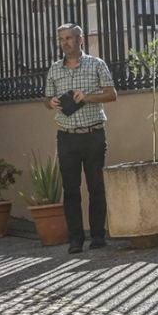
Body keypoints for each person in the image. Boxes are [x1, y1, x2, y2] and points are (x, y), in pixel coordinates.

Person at [44, 23, 117, 254]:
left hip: (93, 134)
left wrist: (87, 97)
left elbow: (112, 94)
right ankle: (75, 239)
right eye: (62, 39)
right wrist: (51, 103)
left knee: (95, 186)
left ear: (80, 40)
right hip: (66, 137)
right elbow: (46, 99)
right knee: (71, 189)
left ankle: (97, 236)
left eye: (69, 38)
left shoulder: (97, 64)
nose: (65, 43)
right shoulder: (54, 69)